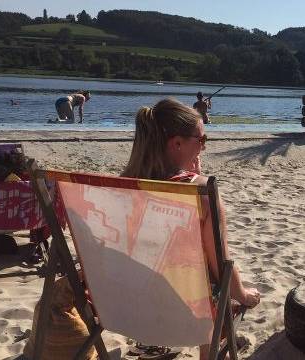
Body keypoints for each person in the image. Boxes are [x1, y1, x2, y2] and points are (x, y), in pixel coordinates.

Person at [121, 98, 259, 357]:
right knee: (217, 289)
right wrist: (243, 294)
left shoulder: (120, 189)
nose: (204, 148)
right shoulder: (203, 194)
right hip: (187, 314)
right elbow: (221, 265)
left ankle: (152, 343)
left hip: (128, 308)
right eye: (202, 140)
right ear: (177, 143)